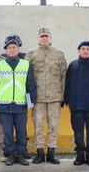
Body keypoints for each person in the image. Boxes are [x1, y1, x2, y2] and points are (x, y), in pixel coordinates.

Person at [0, 35, 37, 166]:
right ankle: (10, 155)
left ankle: (21, 155)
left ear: (18, 49)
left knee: (21, 131)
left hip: (21, 104)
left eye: (14, 47)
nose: (12, 49)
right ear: (6, 50)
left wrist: (31, 101)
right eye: (9, 47)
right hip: (3, 105)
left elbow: (30, 84)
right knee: (8, 132)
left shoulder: (26, 64)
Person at [27, 27, 67, 164]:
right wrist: (29, 97)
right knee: (38, 125)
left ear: (50, 38)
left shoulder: (59, 54)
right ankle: (39, 153)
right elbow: (27, 77)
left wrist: (63, 96)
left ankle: (51, 153)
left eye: (46, 36)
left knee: (53, 126)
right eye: (42, 36)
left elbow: (64, 76)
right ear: (38, 39)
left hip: (54, 97)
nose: (44, 38)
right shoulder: (31, 55)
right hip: (37, 98)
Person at [64, 41, 89, 167]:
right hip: (76, 106)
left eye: (88, 48)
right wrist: (67, 99)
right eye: (83, 48)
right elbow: (68, 83)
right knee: (78, 133)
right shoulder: (73, 65)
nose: (85, 50)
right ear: (79, 51)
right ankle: (80, 155)